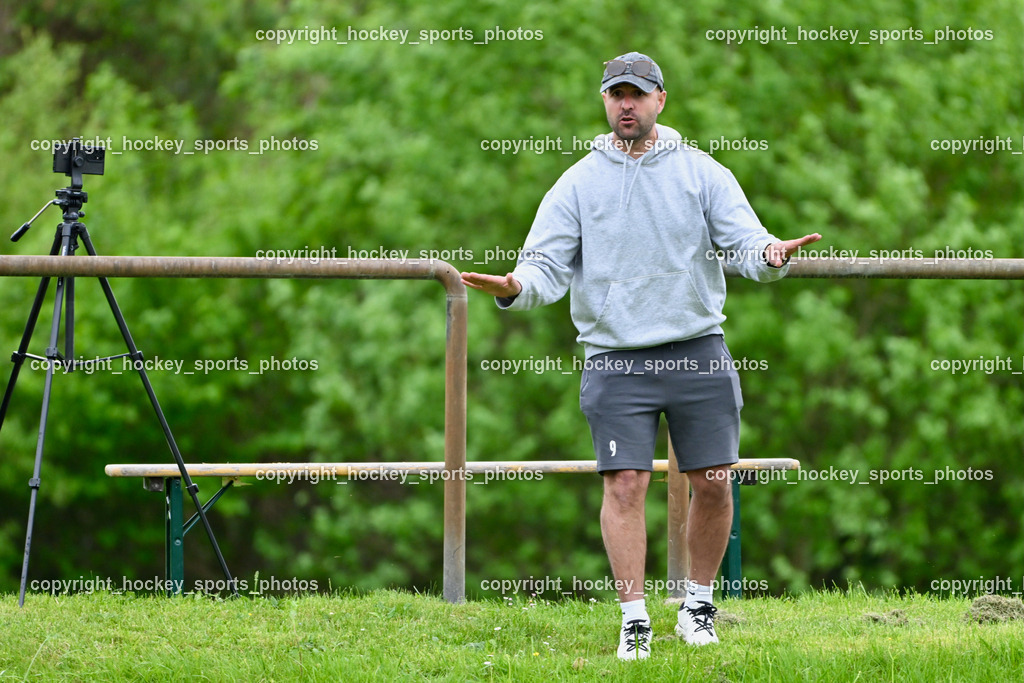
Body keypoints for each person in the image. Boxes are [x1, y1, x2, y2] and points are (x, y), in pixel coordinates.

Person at [462, 51, 821, 661]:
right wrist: (515, 290)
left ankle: (697, 606)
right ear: (605, 103)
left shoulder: (702, 173)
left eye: (637, 94)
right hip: (615, 358)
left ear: (660, 100)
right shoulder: (576, 183)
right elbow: (542, 267)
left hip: (698, 350)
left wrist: (771, 256)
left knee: (712, 483)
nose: (625, 104)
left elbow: (745, 243)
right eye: (614, 95)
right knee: (625, 485)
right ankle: (635, 619)